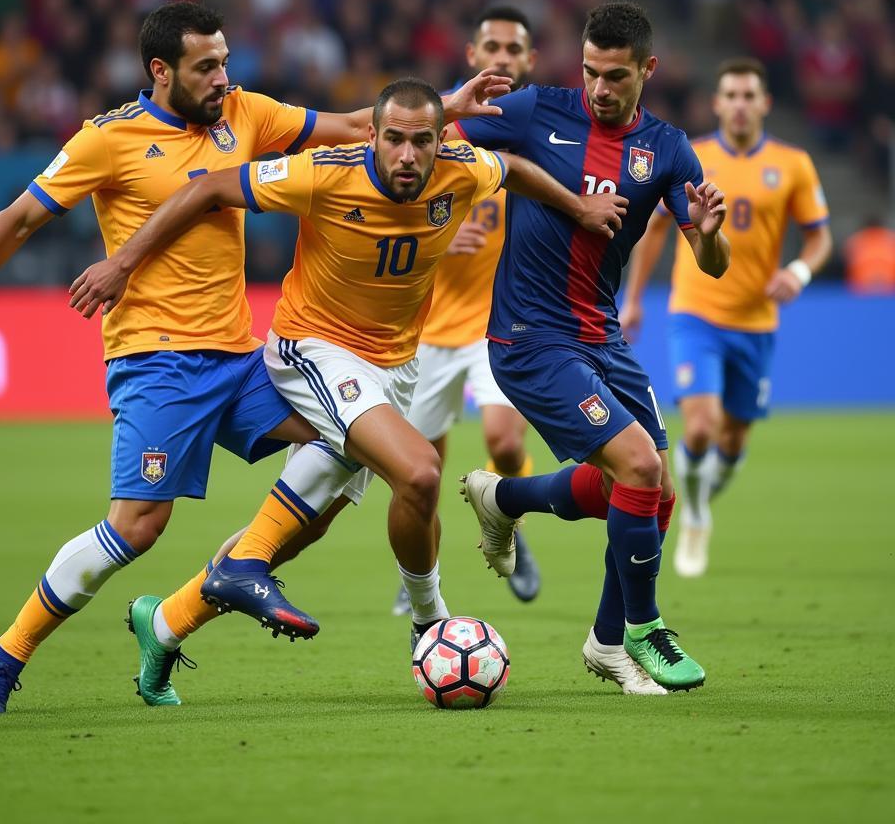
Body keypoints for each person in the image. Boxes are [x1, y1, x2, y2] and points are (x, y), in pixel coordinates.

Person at [0, 1, 511, 715]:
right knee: (137, 528)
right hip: (158, 361)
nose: (222, 77)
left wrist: (448, 107)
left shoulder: (247, 114)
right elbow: (17, 218)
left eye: (225, 60)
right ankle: (6, 656)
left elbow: (359, 129)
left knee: (357, 445)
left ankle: (227, 576)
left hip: (240, 359)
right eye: (206, 66)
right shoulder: (107, 139)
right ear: (160, 69)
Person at [68, 77, 625, 701]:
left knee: (298, 530)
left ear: (441, 141)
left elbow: (514, 169)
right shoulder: (322, 173)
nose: (409, 156)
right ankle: (429, 622)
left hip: (395, 367)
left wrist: (578, 207)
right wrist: (123, 262)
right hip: (314, 350)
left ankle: (165, 624)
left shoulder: (462, 169)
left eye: (422, 141)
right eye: (394, 140)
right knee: (417, 472)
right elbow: (207, 187)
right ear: (374, 137)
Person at [450, 1, 729, 694]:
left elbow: (711, 259)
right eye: (590, 72)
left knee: (650, 493)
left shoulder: (667, 148)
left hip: (600, 335)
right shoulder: (535, 109)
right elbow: (429, 136)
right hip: (527, 337)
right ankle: (642, 629)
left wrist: (714, 231)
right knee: (638, 466)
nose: (599, 88)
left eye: (614, 76)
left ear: (647, 70)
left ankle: (515, 512)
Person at [620, 57, 830, 577]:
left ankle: (701, 496)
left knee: (733, 440)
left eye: (747, 95)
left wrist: (799, 272)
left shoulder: (794, 164)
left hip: (757, 321)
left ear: (764, 103)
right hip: (696, 312)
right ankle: (693, 514)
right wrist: (635, 297)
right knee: (701, 426)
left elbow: (819, 236)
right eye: (730, 95)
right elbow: (658, 230)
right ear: (717, 103)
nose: (739, 104)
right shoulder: (693, 156)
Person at [395, 6, 541, 615]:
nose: (502, 57)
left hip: (499, 325)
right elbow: (385, 205)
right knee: (421, 468)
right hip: (428, 331)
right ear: (471, 56)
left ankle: (511, 526)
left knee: (505, 442)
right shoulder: (432, 137)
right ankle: (419, 573)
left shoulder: (539, 137)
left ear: (529, 62)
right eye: (492, 46)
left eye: (514, 49)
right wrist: (437, 237)